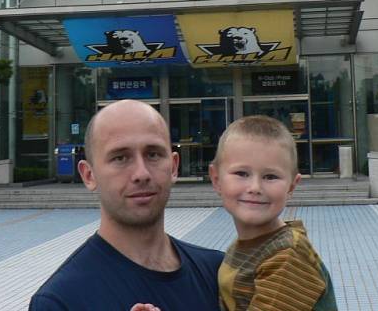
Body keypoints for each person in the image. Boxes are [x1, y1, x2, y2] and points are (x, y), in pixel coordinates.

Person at [28, 99, 223, 311]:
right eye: (120, 158)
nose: (141, 174)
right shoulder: (61, 301)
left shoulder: (217, 273)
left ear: (174, 167)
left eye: (153, 154)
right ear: (89, 175)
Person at [209, 115, 338, 311]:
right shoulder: (243, 246)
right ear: (216, 179)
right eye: (242, 174)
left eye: (270, 176)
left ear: (292, 186)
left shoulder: (286, 255)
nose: (255, 187)